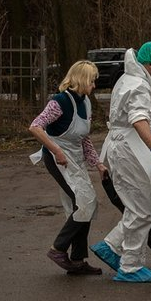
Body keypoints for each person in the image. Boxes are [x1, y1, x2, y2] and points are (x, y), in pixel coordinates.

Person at [89, 41, 151, 283]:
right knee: (143, 209)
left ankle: (111, 246)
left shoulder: (127, 79)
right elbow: (138, 119)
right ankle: (130, 266)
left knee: (136, 205)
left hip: (120, 146)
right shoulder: (138, 85)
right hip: (130, 149)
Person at [28, 60, 109, 275]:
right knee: (85, 203)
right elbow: (35, 127)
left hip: (75, 158)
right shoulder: (59, 102)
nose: (94, 85)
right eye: (92, 81)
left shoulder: (86, 102)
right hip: (58, 159)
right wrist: (56, 150)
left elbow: (84, 139)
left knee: (83, 205)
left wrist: (98, 163)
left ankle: (78, 261)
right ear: (82, 79)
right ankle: (58, 249)